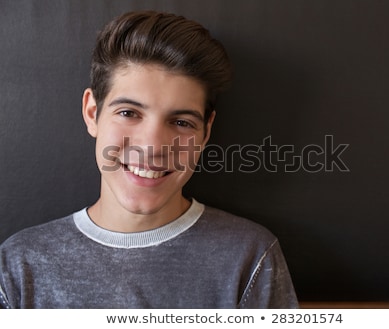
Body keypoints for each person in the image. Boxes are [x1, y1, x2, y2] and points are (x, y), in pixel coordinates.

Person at [0, 10, 298, 309]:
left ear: (206, 132)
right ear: (92, 112)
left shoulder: (250, 258)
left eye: (182, 122)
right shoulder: (19, 265)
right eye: (129, 113)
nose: (153, 147)